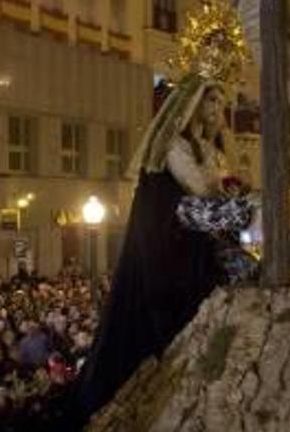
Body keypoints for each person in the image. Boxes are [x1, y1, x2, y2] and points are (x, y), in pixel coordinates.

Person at [73, 74, 233, 424]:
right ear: (191, 105)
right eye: (210, 101)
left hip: (201, 235)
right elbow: (202, 189)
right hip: (174, 239)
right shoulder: (174, 146)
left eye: (221, 103)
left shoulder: (210, 149)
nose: (217, 109)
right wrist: (225, 192)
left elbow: (219, 187)